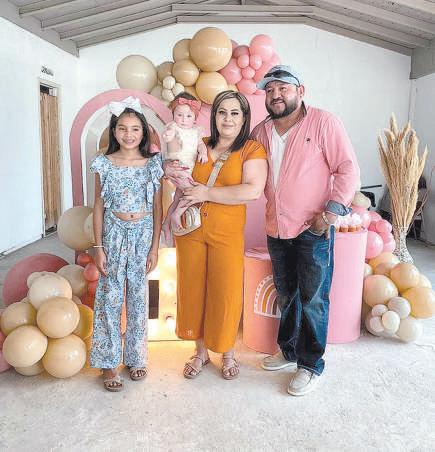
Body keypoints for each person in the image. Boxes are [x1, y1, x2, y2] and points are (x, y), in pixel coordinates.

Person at [251, 66, 360, 396]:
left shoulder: (324, 122)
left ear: (300, 91)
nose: (276, 95)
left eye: (283, 88)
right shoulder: (261, 131)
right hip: (276, 227)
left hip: (313, 229)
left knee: (313, 299)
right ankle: (288, 351)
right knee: (287, 295)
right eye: (270, 90)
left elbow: (348, 169)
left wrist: (330, 215)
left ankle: (310, 365)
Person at [164, 90, 268, 380]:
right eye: (222, 112)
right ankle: (200, 352)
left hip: (227, 233)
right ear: (214, 116)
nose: (228, 118)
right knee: (192, 289)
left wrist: (207, 193)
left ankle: (228, 352)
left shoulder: (251, 149)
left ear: (244, 118)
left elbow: (253, 190)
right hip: (191, 229)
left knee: (226, 291)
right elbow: (178, 171)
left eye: (235, 113)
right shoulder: (198, 142)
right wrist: (168, 168)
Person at [89, 96, 163, 392]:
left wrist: (155, 247)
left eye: (135, 129)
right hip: (113, 234)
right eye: (122, 128)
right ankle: (108, 362)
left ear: (143, 131)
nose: (128, 134)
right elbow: (97, 206)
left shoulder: (152, 165)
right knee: (110, 297)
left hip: (143, 234)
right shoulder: (104, 163)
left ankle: (136, 357)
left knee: (138, 298)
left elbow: (157, 207)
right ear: (114, 130)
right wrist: (98, 247)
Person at [161, 92, 207, 240]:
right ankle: (177, 214)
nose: (183, 119)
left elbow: (201, 145)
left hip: (190, 169)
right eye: (179, 115)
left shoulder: (196, 131)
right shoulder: (173, 128)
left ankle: (166, 223)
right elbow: (170, 136)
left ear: (195, 117)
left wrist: (203, 153)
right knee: (192, 192)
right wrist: (169, 136)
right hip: (179, 167)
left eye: (188, 116)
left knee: (178, 198)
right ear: (173, 115)